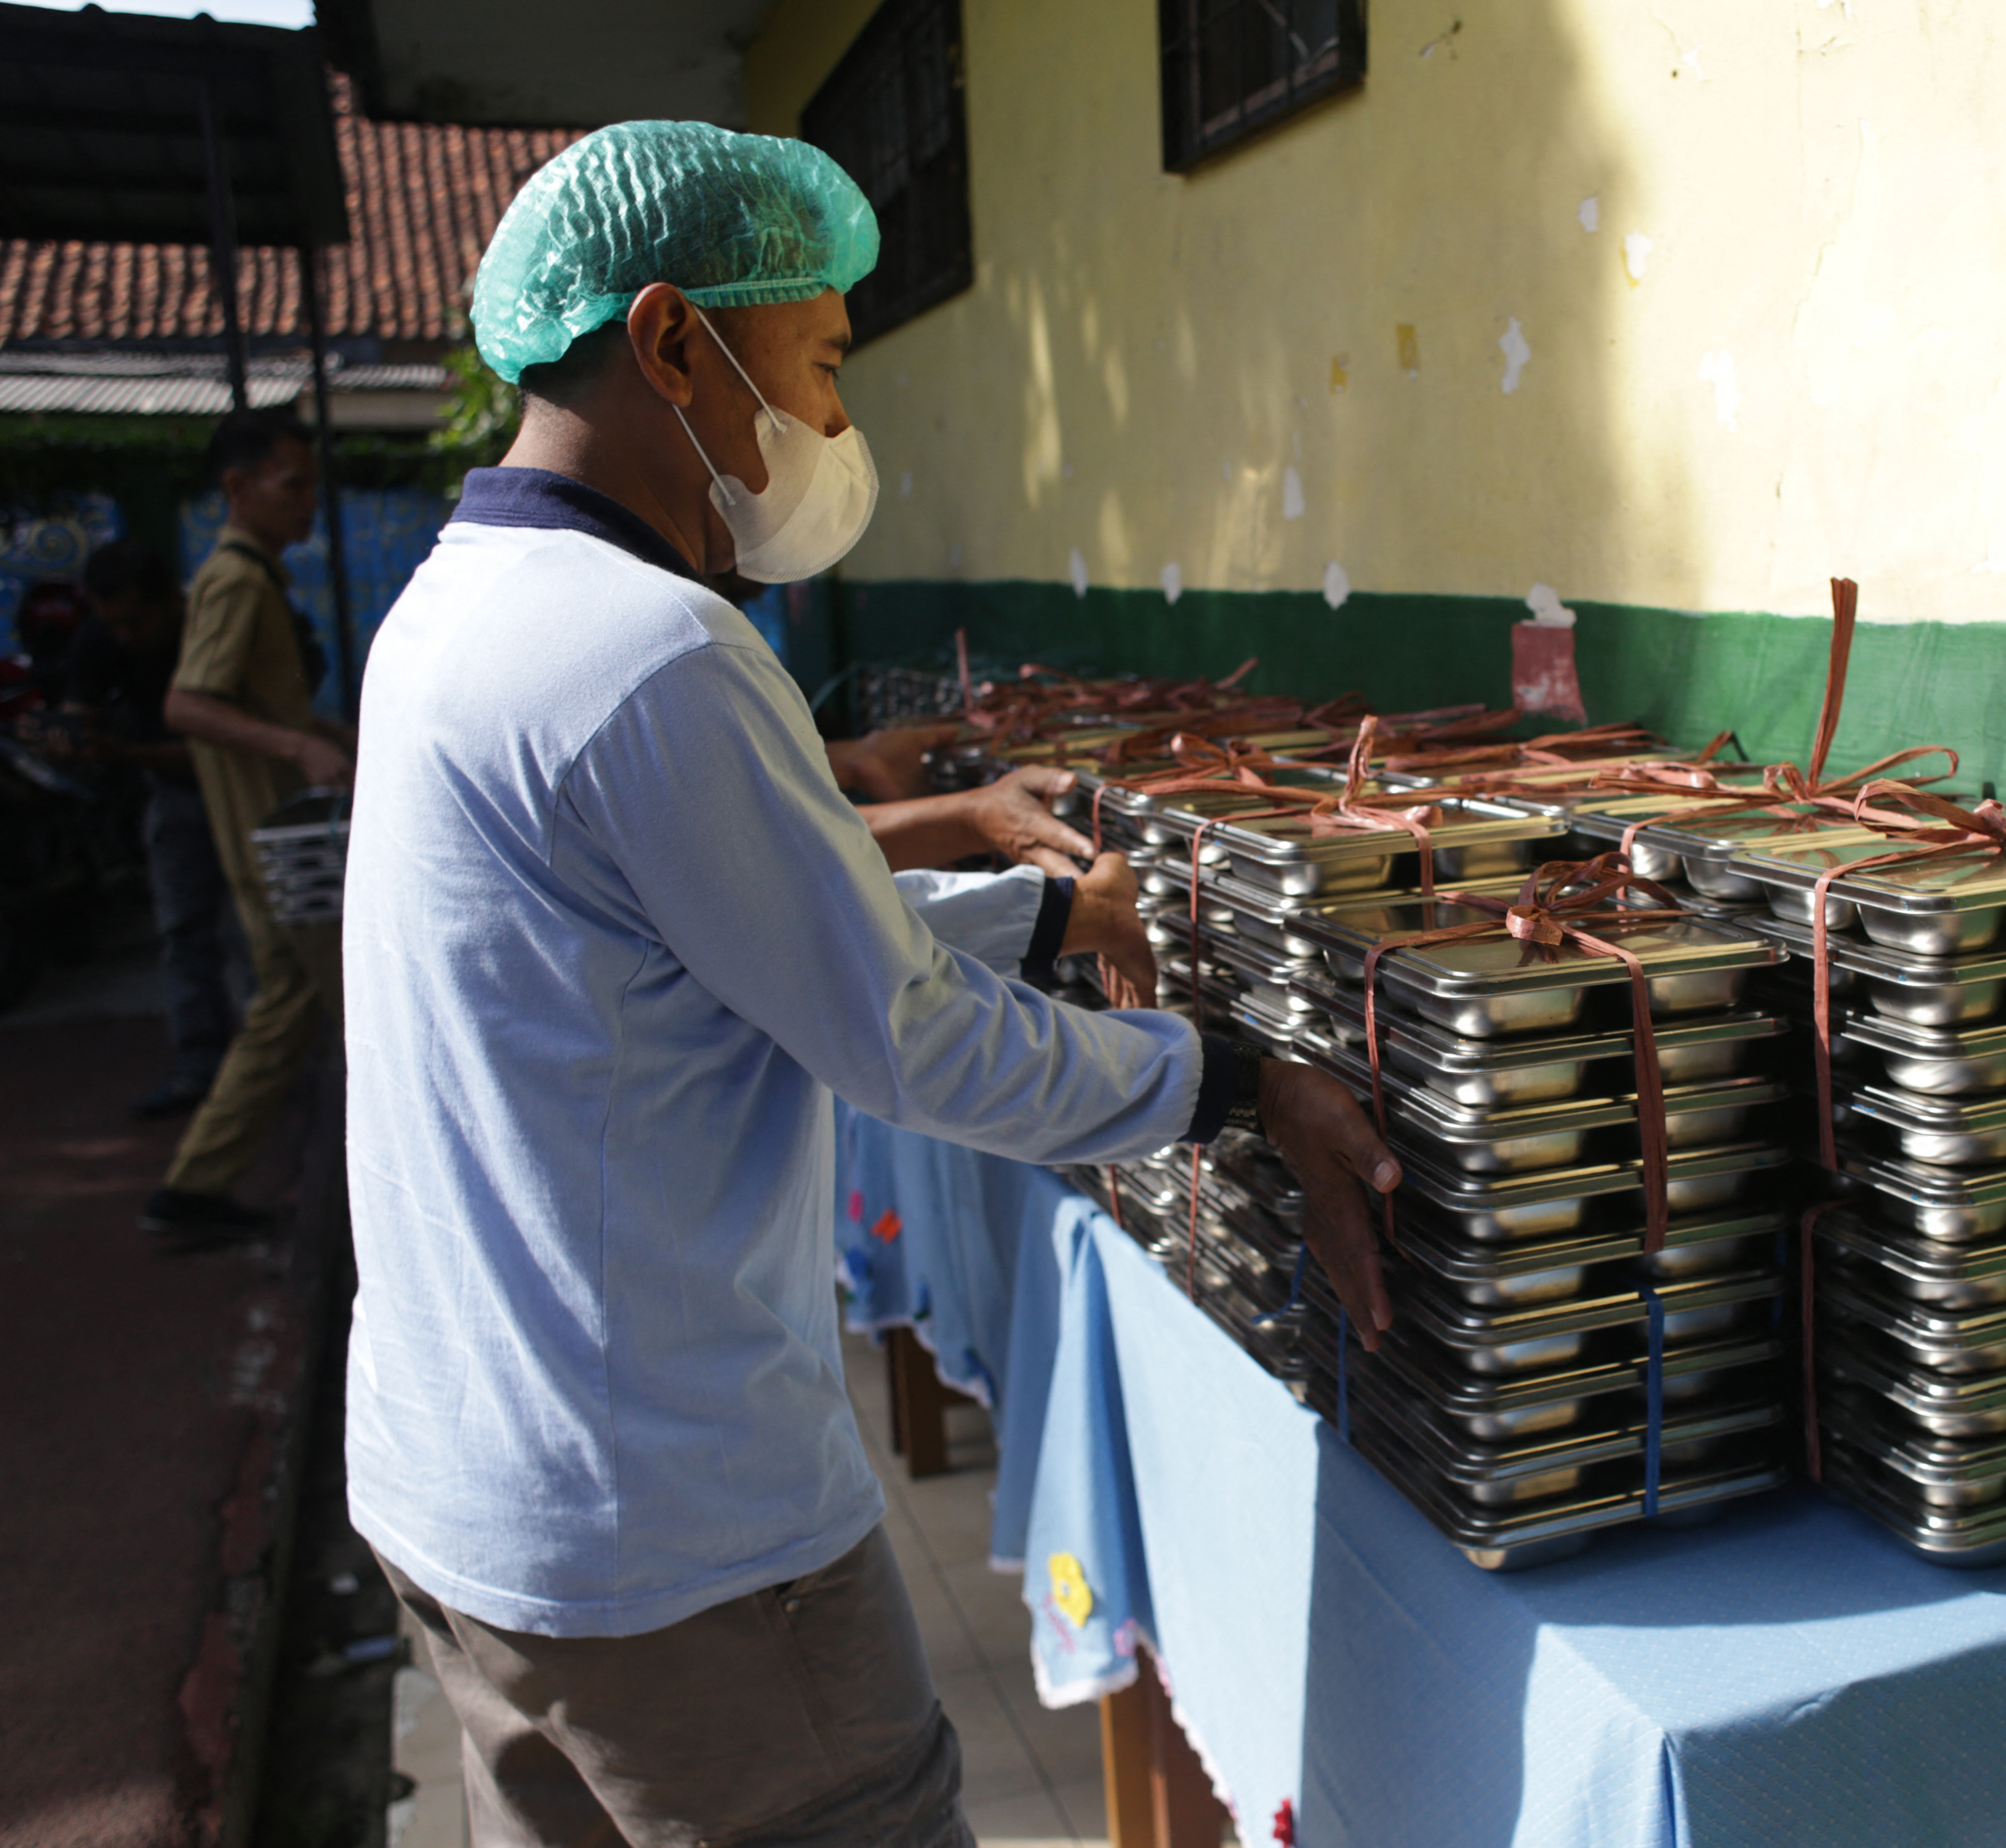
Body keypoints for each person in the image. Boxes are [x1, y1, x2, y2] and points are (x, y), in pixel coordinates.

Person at [342, 121, 1395, 1845]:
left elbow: (725, 962)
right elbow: (899, 1038)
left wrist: (1047, 924)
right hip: (670, 1546)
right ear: (674, 338)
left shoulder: (452, 615)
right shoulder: (652, 651)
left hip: (468, 1497)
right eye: (821, 364)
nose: (834, 429)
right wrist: (1224, 1075)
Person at [143, 410, 359, 1244]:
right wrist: (297, 744)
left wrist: (327, 733)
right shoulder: (236, 580)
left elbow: (260, 703)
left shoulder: (253, 577)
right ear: (238, 489)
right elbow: (188, 704)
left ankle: (197, 1186)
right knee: (317, 999)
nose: (308, 502)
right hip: (275, 842)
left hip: (279, 837)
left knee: (297, 1002)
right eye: (292, 484)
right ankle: (195, 1186)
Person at [62, 539, 248, 1117]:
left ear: (171, 602)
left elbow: (206, 739)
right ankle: (202, 1065)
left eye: (136, 621)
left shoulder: (208, 626)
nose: (125, 636)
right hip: (173, 794)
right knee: (185, 932)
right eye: (112, 622)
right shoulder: (100, 639)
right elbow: (77, 716)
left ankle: (260, 1066)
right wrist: (77, 741)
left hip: (238, 786)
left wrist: (124, 750)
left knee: (258, 935)